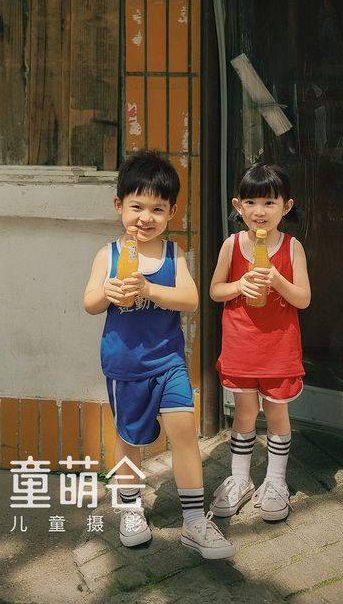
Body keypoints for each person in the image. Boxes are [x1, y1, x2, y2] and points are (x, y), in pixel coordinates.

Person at [83, 149, 234, 560]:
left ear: (172, 212)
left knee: (184, 432)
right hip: (125, 366)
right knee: (129, 439)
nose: (145, 218)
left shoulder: (173, 255)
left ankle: (194, 521)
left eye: (157, 209)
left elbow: (190, 300)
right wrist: (107, 291)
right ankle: (130, 508)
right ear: (119, 205)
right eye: (136, 207)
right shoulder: (108, 255)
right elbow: (90, 303)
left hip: (169, 363)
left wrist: (149, 289)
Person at [209, 163, 311, 522]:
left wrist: (277, 280)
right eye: (251, 202)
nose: (259, 211)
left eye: (269, 202)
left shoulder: (292, 248)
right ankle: (240, 479)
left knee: (277, 412)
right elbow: (215, 290)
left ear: (286, 206)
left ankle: (276, 481)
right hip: (240, 346)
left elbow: (303, 298)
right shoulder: (232, 244)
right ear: (238, 206)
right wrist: (239, 285)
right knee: (245, 412)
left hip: (279, 349)